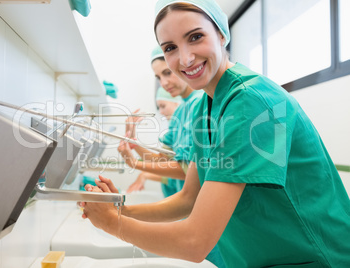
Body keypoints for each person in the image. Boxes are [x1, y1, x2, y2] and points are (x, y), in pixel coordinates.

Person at [81, 0, 350, 267]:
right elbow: (189, 198)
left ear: (221, 34)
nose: (185, 58)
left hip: (314, 256)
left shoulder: (251, 101)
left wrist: (112, 223)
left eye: (195, 37)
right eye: (170, 48)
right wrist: (122, 210)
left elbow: (195, 241)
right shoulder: (204, 106)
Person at [119, 46, 204, 191]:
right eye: (158, 77)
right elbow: (162, 160)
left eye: (167, 73)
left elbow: (187, 171)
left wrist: (134, 163)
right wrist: (133, 142)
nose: (163, 83)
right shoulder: (181, 111)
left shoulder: (199, 104)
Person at [127, 86, 183, 197]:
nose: (161, 112)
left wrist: (135, 164)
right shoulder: (175, 131)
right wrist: (131, 138)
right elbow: (160, 161)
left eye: (163, 106)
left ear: (177, 103)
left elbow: (184, 171)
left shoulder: (186, 129)